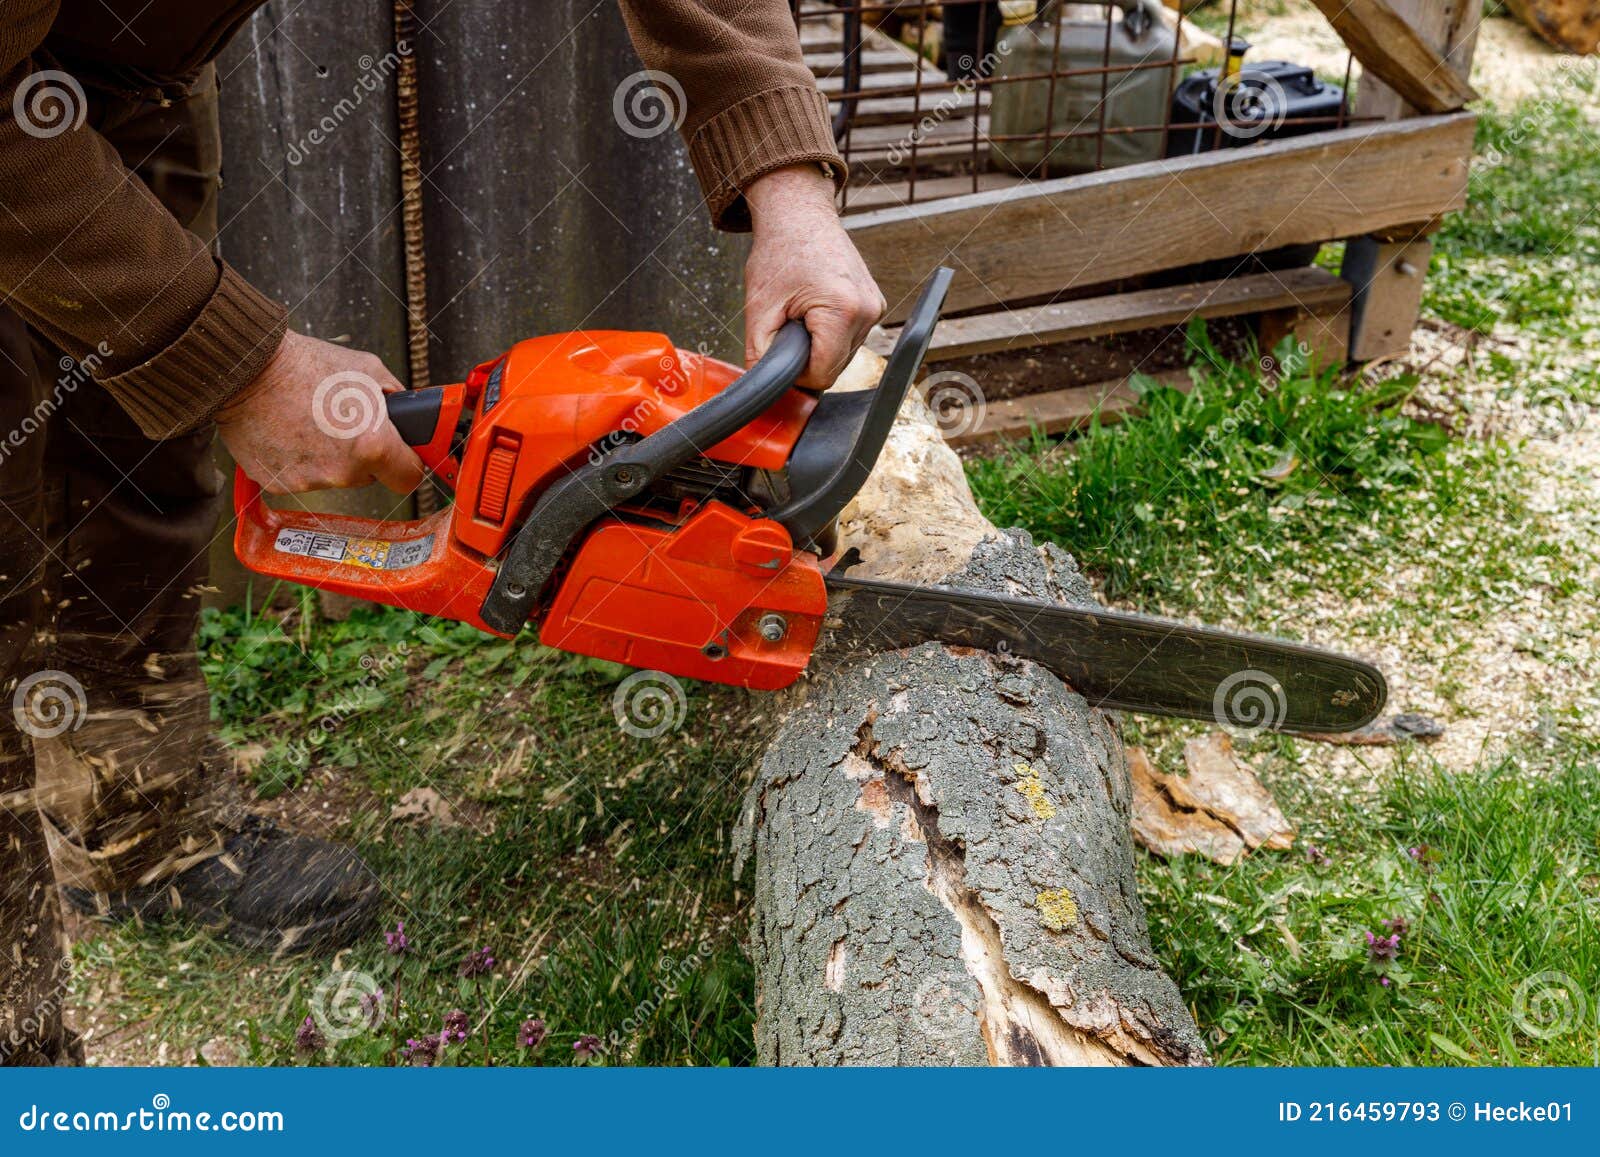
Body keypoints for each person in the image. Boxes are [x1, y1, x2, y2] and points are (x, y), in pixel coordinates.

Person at [0, 0, 885, 1066]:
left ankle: (137, 825)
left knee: (132, 430)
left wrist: (786, 184)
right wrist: (239, 360)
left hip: (109, 65)